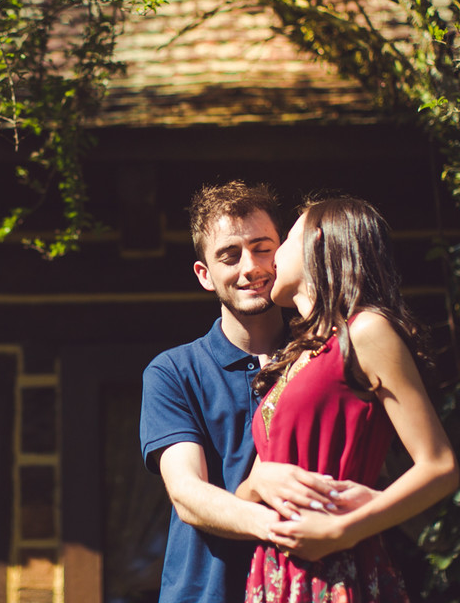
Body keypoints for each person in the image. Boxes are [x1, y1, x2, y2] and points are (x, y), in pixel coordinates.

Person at [140, 181, 370, 603]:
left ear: (284, 252)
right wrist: (281, 526)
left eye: (262, 247)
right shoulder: (172, 372)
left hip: (316, 586)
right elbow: (187, 494)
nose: (250, 267)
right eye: (229, 256)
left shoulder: (327, 354)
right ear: (205, 275)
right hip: (208, 593)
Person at [236, 196, 460, 602]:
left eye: (285, 239)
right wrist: (257, 483)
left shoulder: (365, 332)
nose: (270, 260)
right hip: (275, 574)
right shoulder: (294, 359)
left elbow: (440, 466)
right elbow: (246, 494)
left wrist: (345, 529)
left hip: (340, 565)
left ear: (316, 242)